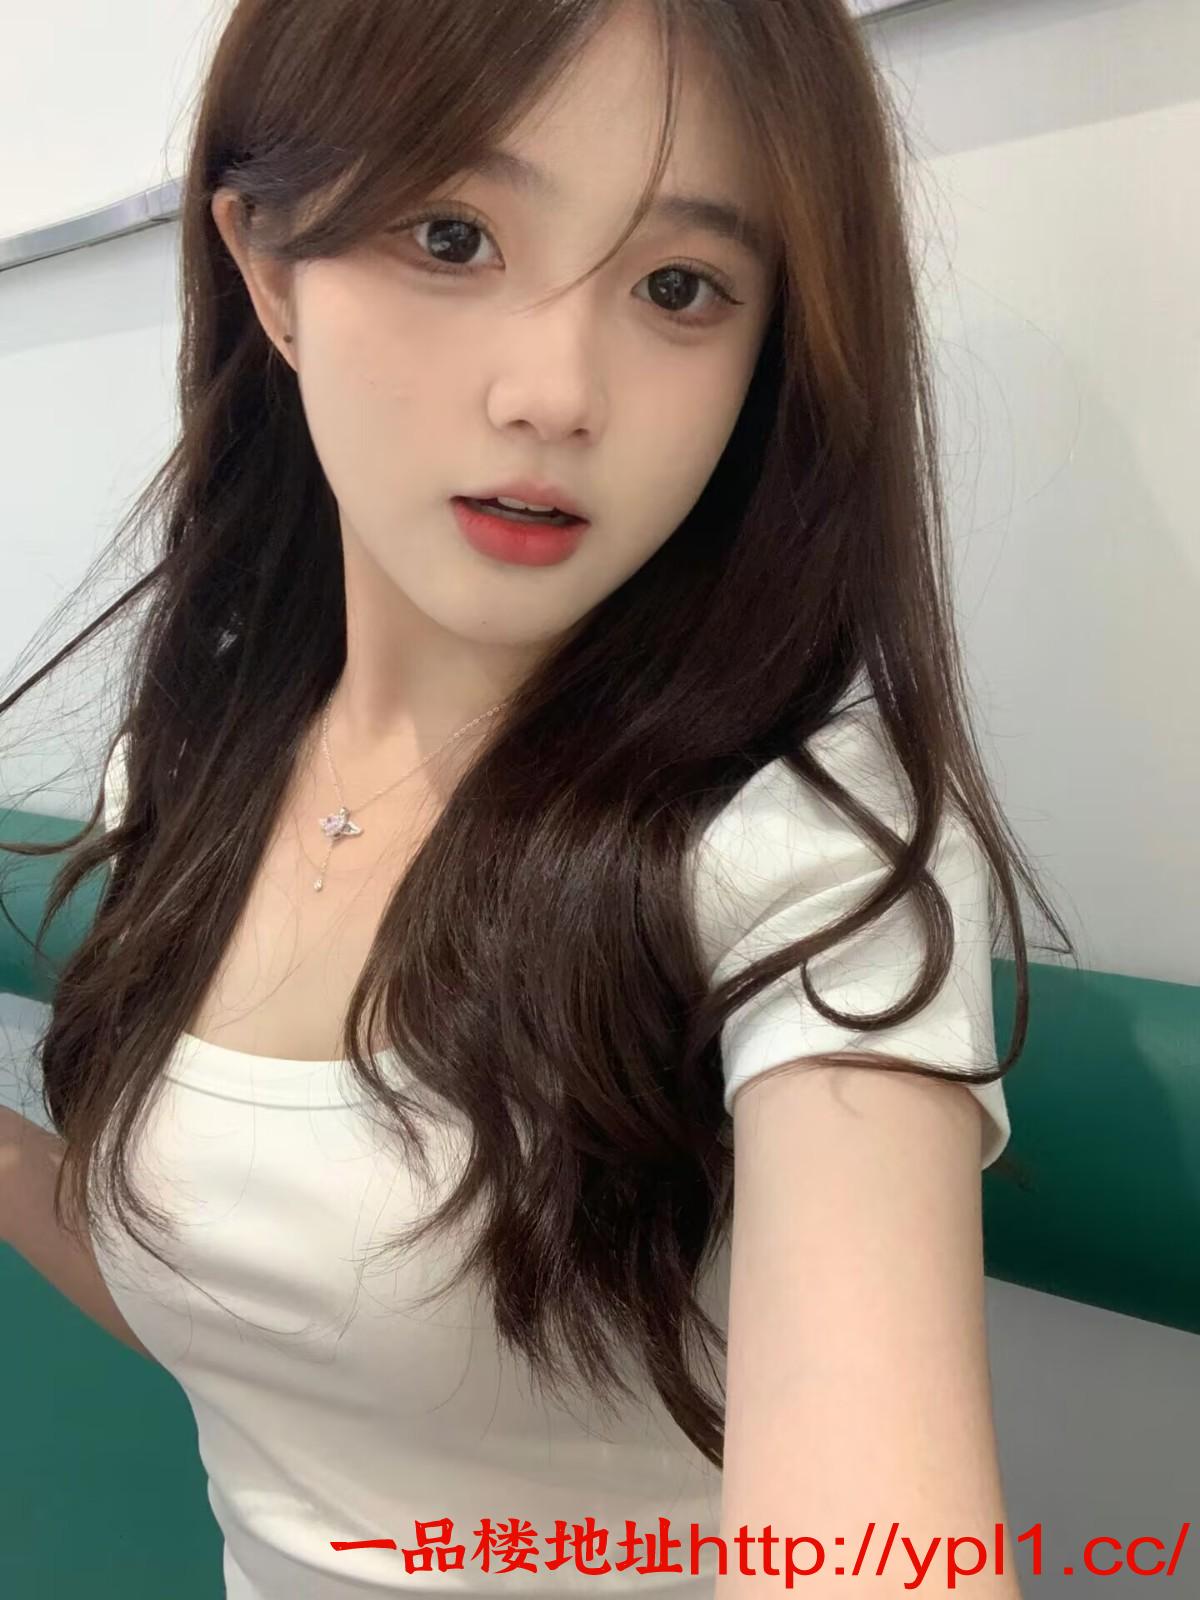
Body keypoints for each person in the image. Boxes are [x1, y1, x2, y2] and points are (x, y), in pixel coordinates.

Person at [0, 0, 1074, 1594]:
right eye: (453, 236)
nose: (557, 392)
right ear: (268, 270)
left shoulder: (800, 851)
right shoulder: (189, 764)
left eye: (678, 287)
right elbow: (268, 1337)